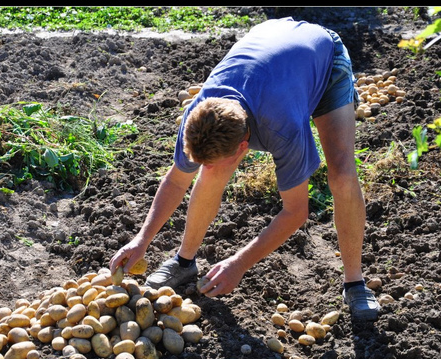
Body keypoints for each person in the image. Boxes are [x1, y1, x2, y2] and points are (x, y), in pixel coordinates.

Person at [109, 17, 380, 321]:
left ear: (243, 148)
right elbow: (176, 181)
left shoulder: (283, 128)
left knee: (342, 174)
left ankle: (355, 282)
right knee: (212, 171)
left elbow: (296, 212)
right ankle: (184, 262)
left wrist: (238, 264)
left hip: (323, 59)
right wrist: (141, 240)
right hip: (271, 45)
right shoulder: (200, 115)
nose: (204, 167)